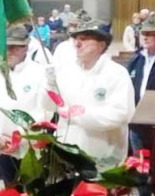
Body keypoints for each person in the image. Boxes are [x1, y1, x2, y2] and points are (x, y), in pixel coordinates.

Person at [51, 20, 135, 171]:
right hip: (68, 156)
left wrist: (77, 114)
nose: (77, 44)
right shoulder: (67, 72)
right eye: (76, 39)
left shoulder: (116, 74)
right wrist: (48, 86)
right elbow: (53, 106)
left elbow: (120, 114)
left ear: (101, 45)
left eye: (83, 39)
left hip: (103, 158)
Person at [0, 25, 52, 187]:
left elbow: (45, 111)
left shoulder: (39, 73)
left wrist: (20, 138)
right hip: (2, 146)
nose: (9, 51)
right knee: (11, 195)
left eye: (14, 47)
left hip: (31, 148)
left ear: (25, 47)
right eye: (6, 47)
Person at [127, 11, 155, 152]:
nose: (145, 37)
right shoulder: (136, 59)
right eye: (143, 33)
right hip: (138, 125)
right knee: (139, 167)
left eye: (151, 33)